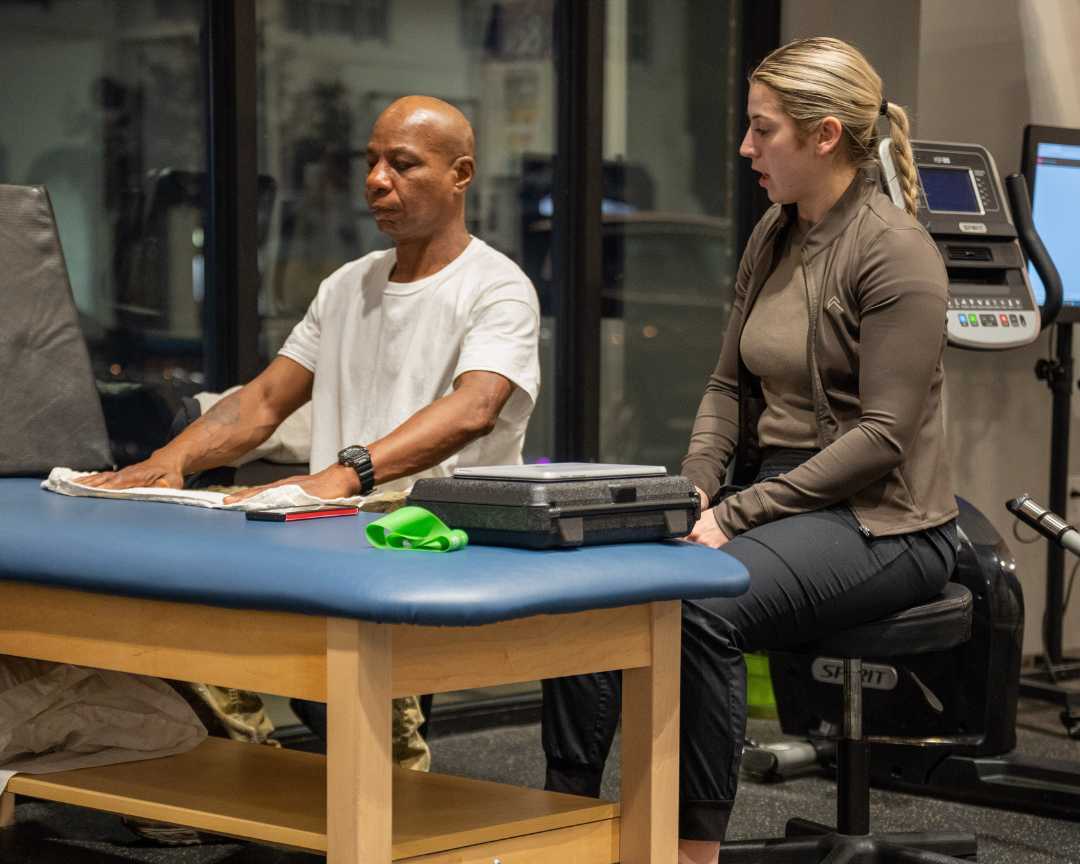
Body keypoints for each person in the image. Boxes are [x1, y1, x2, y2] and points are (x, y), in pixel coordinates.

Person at [541, 37, 959, 864]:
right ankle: (565, 822)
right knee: (588, 576)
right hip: (773, 498)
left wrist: (738, 513)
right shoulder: (775, 231)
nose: (745, 148)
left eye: (762, 130)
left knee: (700, 606)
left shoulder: (895, 250)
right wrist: (695, 488)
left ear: (826, 135)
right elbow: (728, 387)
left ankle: (692, 850)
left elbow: (882, 439)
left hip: (884, 523)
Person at [84, 94, 541, 773]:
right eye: (372, 161)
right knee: (176, 574)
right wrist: (164, 463)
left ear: (461, 175)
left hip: (434, 529)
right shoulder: (346, 286)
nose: (376, 180)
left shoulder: (497, 288)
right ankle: (243, 776)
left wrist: (343, 473)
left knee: (364, 748)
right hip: (340, 520)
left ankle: (390, 803)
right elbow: (264, 400)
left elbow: (473, 408)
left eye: (403, 164)